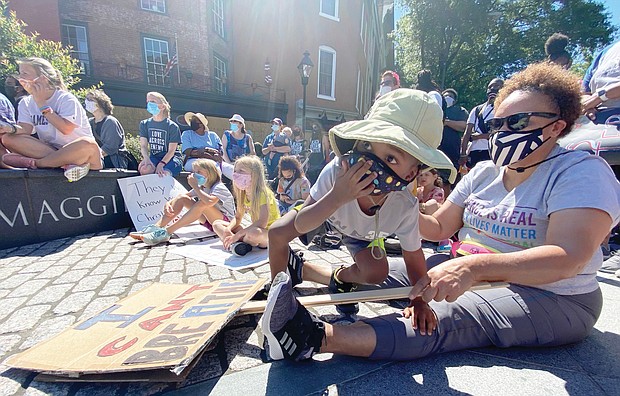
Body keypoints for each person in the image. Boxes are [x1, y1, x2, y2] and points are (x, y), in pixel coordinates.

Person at [261, 62, 620, 364]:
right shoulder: (484, 173)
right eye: (496, 124)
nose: (501, 133)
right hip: (467, 266)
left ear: (557, 125)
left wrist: (471, 267)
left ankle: (312, 337)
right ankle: (307, 271)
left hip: (553, 294)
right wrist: (390, 200)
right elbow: (437, 227)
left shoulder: (579, 171)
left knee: (447, 315)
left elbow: (569, 258)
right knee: (393, 273)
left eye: (518, 122)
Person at [261, 89, 457, 318]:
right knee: (276, 233)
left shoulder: (404, 206)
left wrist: (420, 302)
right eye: (366, 146)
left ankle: (339, 279)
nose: (368, 161)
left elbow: (413, 257)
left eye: (390, 158)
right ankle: (279, 294)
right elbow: (303, 224)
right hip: (323, 210)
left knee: (377, 273)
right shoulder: (337, 171)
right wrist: (337, 197)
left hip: (362, 234)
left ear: (411, 173)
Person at [1, 57, 102, 182]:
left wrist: (41, 103)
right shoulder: (25, 103)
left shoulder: (65, 99)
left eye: (25, 74)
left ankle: (36, 163)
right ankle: (64, 164)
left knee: (88, 144)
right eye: (20, 73)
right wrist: (8, 128)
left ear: (43, 77)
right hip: (51, 150)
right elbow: (26, 130)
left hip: (81, 154)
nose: (20, 78)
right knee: (8, 138)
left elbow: (66, 129)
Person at [580, 40, 620, 278]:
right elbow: (585, 88)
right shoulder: (607, 51)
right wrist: (589, 105)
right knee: (602, 189)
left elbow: (594, 95)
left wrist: (598, 98)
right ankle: (602, 245)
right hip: (601, 130)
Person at [133, 159, 236, 246]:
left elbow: (209, 202)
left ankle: (166, 232)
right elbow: (182, 197)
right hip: (210, 222)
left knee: (202, 204)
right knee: (182, 198)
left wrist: (195, 186)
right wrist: (168, 203)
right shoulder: (202, 187)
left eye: (199, 172)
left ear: (210, 173)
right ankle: (156, 227)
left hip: (225, 224)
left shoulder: (219, 187)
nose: (195, 175)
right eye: (194, 171)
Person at [211, 155, 280, 257]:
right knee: (217, 224)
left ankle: (237, 242)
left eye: (241, 171)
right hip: (253, 232)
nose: (236, 174)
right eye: (235, 170)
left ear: (254, 175)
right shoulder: (242, 193)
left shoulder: (263, 193)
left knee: (253, 233)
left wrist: (239, 234)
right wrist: (228, 229)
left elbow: (262, 223)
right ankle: (239, 244)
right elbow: (238, 217)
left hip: (269, 233)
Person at [459, 78, 504, 170]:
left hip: (493, 151)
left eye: (496, 86)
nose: (492, 88)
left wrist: (480, 136)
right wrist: (463, 154)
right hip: (475, 151)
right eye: (490, 86)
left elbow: (502, 132)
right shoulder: (477, 110)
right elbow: (467, 133)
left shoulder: (503, 109)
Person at [137, 92, 183, 176]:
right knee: (144, 170)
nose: (150, 104)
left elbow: (171, 151)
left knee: (163, 174)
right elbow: (143, 145)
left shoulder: (172, 126)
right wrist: (146, 159)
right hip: (154, 157)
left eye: (153, 101)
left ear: (162, 106)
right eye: (148, 101)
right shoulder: (144, 124)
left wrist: (161, 164)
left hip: (171, 158)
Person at [85, 89, 132, 169]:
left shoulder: (110, 122)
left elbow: (110, 148)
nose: (87, 102)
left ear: (100, 102)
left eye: (90, 100)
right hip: (96, 161)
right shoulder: (90, 122)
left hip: (112, 162)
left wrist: (89, 159)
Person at [439, 88, 468, 187]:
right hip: (435, 150)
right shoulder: (437, 107)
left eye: (451, 96)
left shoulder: (460, 111)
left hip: (452, 152)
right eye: (446, 96)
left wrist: (447, 122)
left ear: (455, 100)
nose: (448, 98)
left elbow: (464, 126)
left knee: (449, 181)